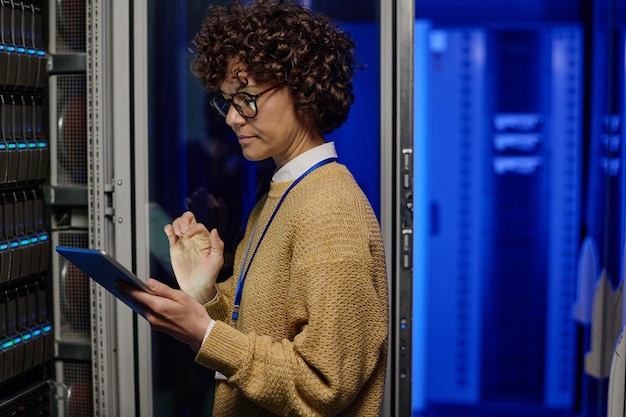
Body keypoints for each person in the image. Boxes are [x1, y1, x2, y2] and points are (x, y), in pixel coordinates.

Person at [124, 0, 389, 415]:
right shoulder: (283, 191)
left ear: (304, 89)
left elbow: (325, 385)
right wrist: (206, 293)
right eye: (227, 101)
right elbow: (258, 327)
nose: (232, 118)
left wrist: (204, 334)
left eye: (247, 98)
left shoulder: (330, 208)